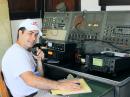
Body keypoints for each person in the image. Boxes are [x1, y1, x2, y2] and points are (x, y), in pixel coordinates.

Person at [1, 19, 81, 97]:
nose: (34, 38)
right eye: (30, 33)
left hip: (37, 90)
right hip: (32, 94)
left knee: (76, 83)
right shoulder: (16, 53)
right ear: (20, 33)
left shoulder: (24, 51)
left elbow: (39, 76)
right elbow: (31, 80)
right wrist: (59, 85)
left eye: (36, 35)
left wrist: (39, 61)